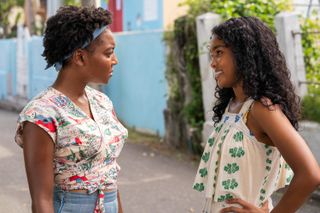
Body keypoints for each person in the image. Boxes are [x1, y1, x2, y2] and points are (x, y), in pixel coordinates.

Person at [193, 16, 320, 213]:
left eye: (219, 52)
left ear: (244, 54)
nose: (213, 63)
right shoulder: (232, 106)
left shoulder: (261, 109)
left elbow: (310, 174)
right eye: (212, 54)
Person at [14, 6, 127, 213]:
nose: (115, 60)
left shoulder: (103, 102)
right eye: (108, 53)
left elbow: (109, 172)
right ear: (80, 57)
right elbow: (41, 201)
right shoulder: (42, 114)